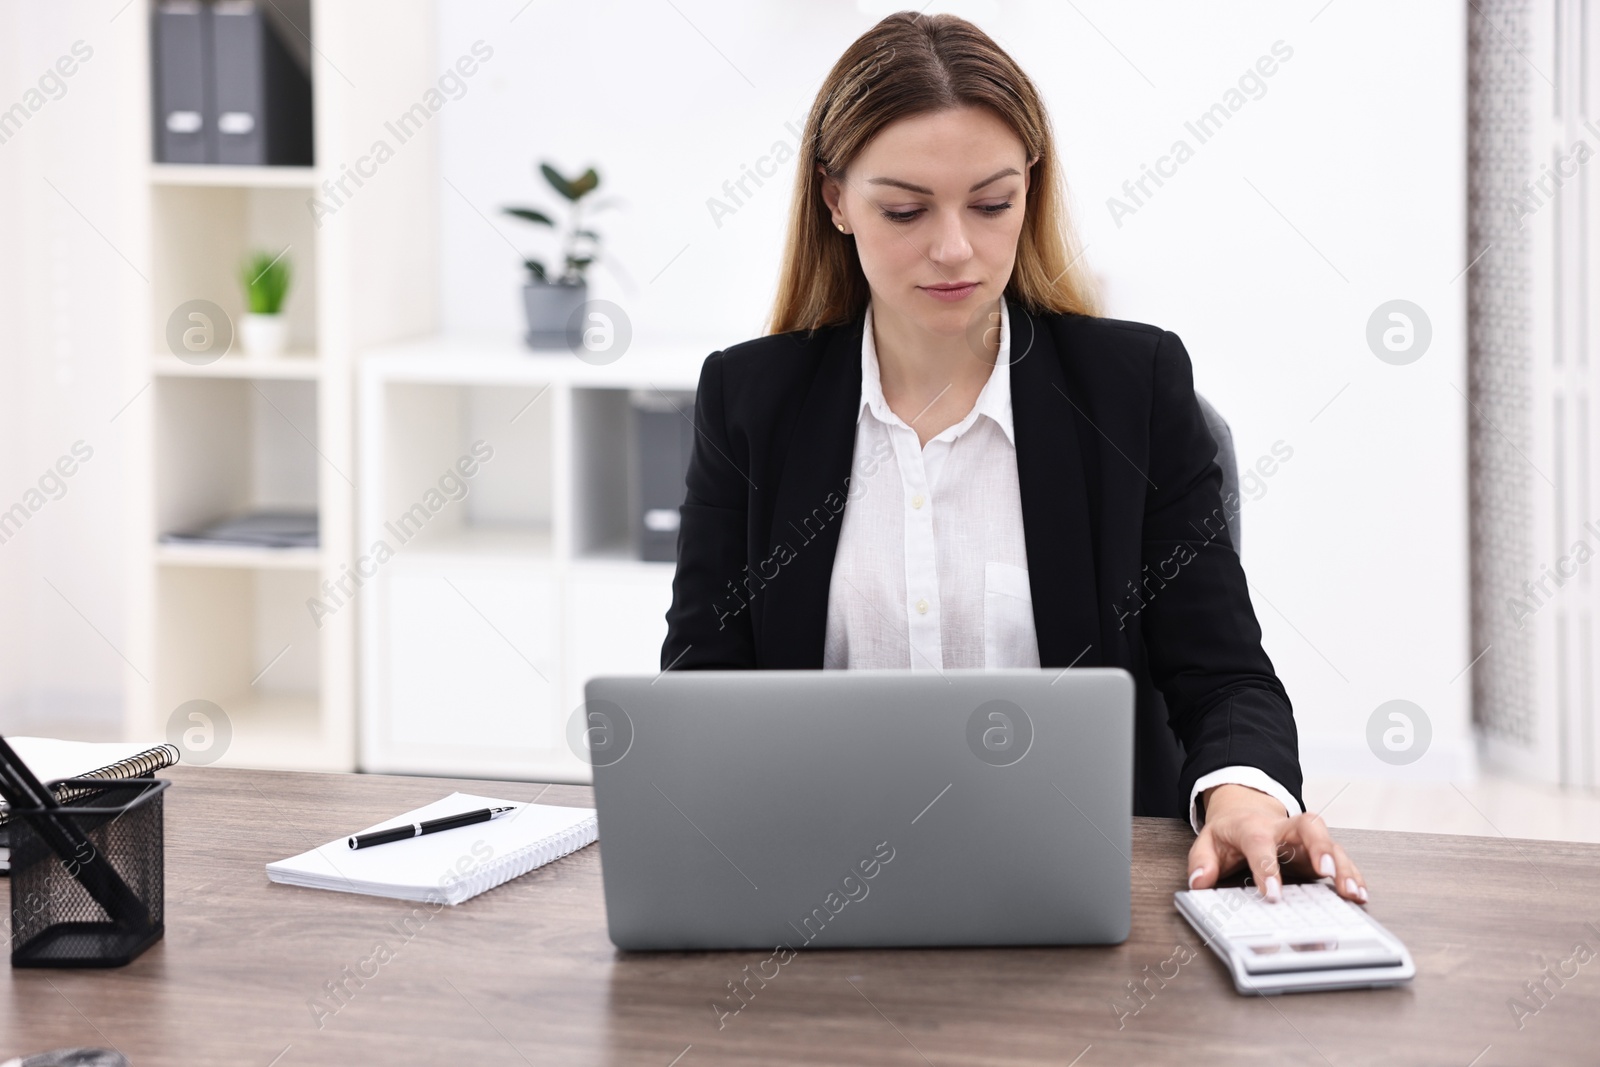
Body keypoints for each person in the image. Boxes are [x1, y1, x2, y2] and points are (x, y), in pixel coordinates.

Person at [661, 10, 1366, 906]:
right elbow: (701, 682)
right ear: (835, 199)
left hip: (1076, 888)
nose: (955, 247)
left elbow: (1221, 672)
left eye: (993, 203)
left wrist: (1240, 789)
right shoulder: (750, 401)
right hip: (817, 888)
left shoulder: (1132, 390)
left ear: (1031, 189)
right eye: (905, 209)